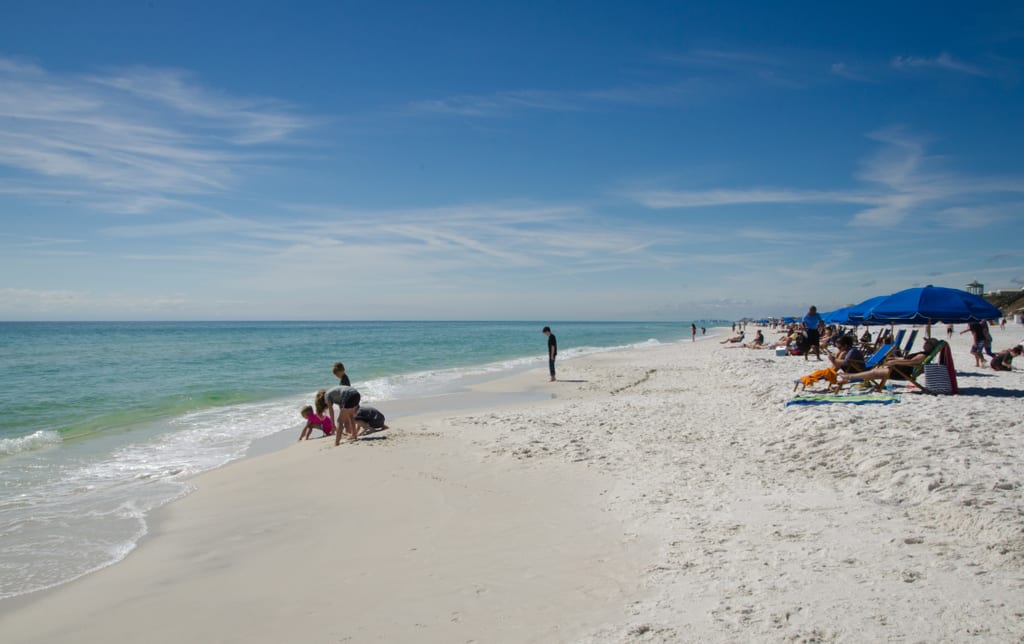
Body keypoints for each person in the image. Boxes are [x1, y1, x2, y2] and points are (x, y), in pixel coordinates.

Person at [837, 337, 940, 391]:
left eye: (927, 343)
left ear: (930, 346)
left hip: (900, 372)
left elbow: (913, 362)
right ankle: (850, 377)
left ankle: (850, 376)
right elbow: (906, 359)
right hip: (899, 369)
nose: (924, 343)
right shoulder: (922, 353)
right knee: (874, 372)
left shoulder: (923, 355)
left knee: (874, 372)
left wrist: (895, 361)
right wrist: (895, 358)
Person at [794, 335, 864, 391]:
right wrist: (837, 356)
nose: (838, 349)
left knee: (840, 358)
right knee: (840, 357)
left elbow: (846, 362)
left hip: (858, 370)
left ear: (845, 345)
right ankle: (830, 372)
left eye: (839, 347)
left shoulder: (852, 351)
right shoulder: (847, 351)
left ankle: (830, 373)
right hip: (852, 368)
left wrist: (834, 360)